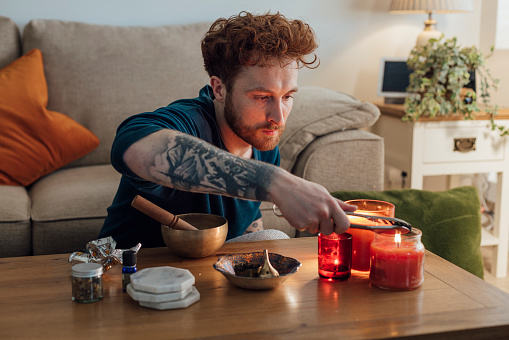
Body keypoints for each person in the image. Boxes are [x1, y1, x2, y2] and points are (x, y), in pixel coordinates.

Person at [98, 11, 356, 249]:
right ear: (219, 89)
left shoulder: (262, 139)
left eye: (287, 96)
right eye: (262, 96)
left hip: (203, 282)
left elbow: (248, 228)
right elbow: (129, 146)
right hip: (127, 276)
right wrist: (275, 182)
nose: (278, 117)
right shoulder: (189, 123)